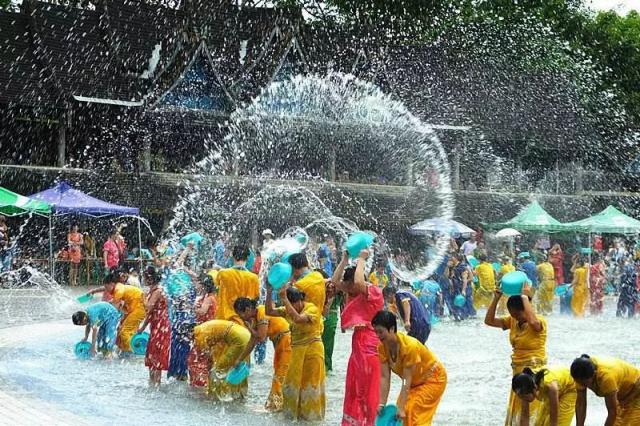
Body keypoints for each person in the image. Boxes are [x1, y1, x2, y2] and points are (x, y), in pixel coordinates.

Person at [333, 249, 384, 425]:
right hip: (358, 347)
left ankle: (370, 422)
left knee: (369, 390)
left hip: (371, 346)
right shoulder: (353, 291)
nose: (347, 291)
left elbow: (358, 280)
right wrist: (344, 259)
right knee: (354, 388)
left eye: (349, 287)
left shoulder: (373, 292)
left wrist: (362, 259)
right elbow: (335, 282)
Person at [485, 286, 548, 425]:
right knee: (520, 407)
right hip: (518, 371)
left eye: (518, 314)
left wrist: (525, 297)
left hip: (534, 371)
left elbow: (533, 322)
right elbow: (489, 321)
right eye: (512, 314)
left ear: (527, 309)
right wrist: (496, 299)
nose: (515, 317)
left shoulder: (539, 321)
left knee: (531, 407)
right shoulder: (513, 320)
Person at [373, 310, 447, 425]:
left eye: (380, 332)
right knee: (399, 415)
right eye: (375, 332)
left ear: (392, 329)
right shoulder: (382, 348)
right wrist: (382, 403)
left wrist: (402, 406)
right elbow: (384, 377)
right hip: (413, 382)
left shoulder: (409, 347)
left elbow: (406, 380)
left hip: (433, 379)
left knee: (412, 411)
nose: (378, 336)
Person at [266, 286, 325, 421]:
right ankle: (291, 417)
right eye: (288, 304)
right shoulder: (288, 309)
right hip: (297, 351)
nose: (290, 307)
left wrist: (285, 299)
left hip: (313, 350)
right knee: (290, 383)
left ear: (299, 300)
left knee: (310, 384)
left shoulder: (312, 309)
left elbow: (298, 319)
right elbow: (269, 311)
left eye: (292, 304)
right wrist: (269, 292)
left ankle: (310, 419)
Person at [234, 297, 291, 411]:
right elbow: (252, 342)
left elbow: (261, 337)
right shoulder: (254, 318)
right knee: (280, 374)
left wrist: (250, 328)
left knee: (280, 375)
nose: (241, 317)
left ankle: (276, 406)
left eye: (241, 314)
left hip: (286, 342)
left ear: (248, 309)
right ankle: (280, 405)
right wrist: (239, 359)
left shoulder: (262, 312)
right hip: (279, 343)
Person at [571, 354, 640, 426]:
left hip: (637, 391)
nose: (581, 385)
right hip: (622, 397)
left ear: (594, 374)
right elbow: (581, 405)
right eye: (579, 382)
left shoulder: (606, 378)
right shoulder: (579, 373)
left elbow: (612, 412)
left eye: (585, 383)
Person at [192, 319, 252, 401]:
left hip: (239, 340)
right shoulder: (202, 327)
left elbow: (207, 357)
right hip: (245, 334)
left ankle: (216, 396)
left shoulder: (199, 336)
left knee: (218, 370)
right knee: (233, 367)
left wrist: (210, 369)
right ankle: (238, 393)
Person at [511, 366, 577, 426]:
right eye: (520, 397)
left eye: (524, 397)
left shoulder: (549, 386)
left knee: (559, 422)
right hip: (556, 388)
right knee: (540, 424)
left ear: (534, 389)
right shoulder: (523, 385)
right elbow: (524, 415)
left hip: (569, 388)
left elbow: (554, 421)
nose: (523, 399)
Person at [138, 266, 170, 386]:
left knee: (157, 352)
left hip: (161, 326)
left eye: (145, 276)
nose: (143, 279)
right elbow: (150, 313)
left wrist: (142, 298)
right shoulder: (153, 290)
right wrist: (142, 327)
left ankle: (157, 383)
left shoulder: (157, 291)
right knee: (151, 352)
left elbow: (148, 308)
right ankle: (151, 382)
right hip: (155, 325)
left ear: (149, 278)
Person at [214, 246, 260, 323]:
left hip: (224, 319)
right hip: (244, 322)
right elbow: (256, 298)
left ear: (233, 256)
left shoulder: (223, 274)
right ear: (247, 258)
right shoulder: (254, 278)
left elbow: (216, 288)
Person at [188, 274, 218, 387]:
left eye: (199, 283)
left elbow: (202, 312)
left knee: (195, 359)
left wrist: (193, 307)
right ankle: (205, 385)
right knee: (204, 359)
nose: (197, 286)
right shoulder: (210, 296)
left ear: (204, 285)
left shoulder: (209, 298)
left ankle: (200, 385)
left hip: (205, 332)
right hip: (207, 331)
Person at [105, 274, 146, 354]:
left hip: (139, 308)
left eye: (107, 288)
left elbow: (114, 309)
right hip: (135, 308)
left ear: (111, 284)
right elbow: (118, 306)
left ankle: (132, 351)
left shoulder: (118, 288)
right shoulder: (119, 288)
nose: (107, 291)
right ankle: (124, 349)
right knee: (120, 329)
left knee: (124, 331)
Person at [321, 269, 342, 372]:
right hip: (322, 317)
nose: (329, 289)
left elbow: (336, 284)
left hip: (330, 319)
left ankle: (327, 367)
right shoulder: (319, 291)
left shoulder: (334, 291)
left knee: (327, 346)